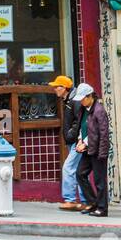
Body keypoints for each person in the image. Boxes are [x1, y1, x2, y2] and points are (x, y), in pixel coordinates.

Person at [48, 74, 85, 211]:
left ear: (64, 88)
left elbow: (79, 121)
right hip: (74, 141)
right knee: (78, 170)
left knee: (68, 168)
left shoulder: (74, 101)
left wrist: (71, 134)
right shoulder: (69, 100)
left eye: (57, 86)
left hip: (77, 142)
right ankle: (84, 200)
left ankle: (70, 200)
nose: (54, 89)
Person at [74, 83, 110, 218]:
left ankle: (102, 209)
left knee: (99, 180)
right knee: (80, 174)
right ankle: (93, 202)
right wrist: (79, 140)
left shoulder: (99, 110)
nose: (81, 101)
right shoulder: (84, 109)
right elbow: (83, 126)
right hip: (88, 149)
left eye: (83, 98)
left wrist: (85, 143)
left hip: (98, 149)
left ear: (90, 96)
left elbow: (102, 133)